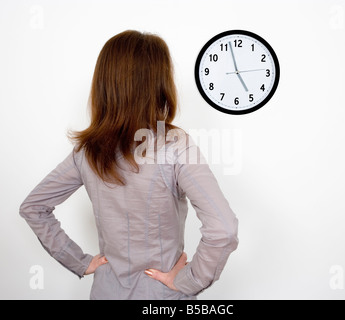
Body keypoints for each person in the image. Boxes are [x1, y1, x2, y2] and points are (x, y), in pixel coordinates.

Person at [19, 30, 239, 300]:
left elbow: (33, 207)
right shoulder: (175, 145)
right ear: (158, 84)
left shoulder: (87, 151)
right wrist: (189, 279)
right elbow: (224, 229)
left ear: (104, 83)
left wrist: (79, 261)